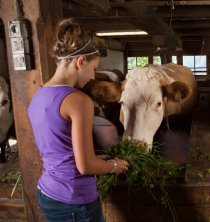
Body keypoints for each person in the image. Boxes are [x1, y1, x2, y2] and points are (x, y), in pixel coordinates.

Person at [27, 18, 129, 222]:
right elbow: (85, 166)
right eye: (93, 68)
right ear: (80, 62)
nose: (93, 77)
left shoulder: (38, 95)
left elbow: (63, 152)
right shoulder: (78, 100)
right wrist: (115, 165)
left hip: (47, 192)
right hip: (74, 200)